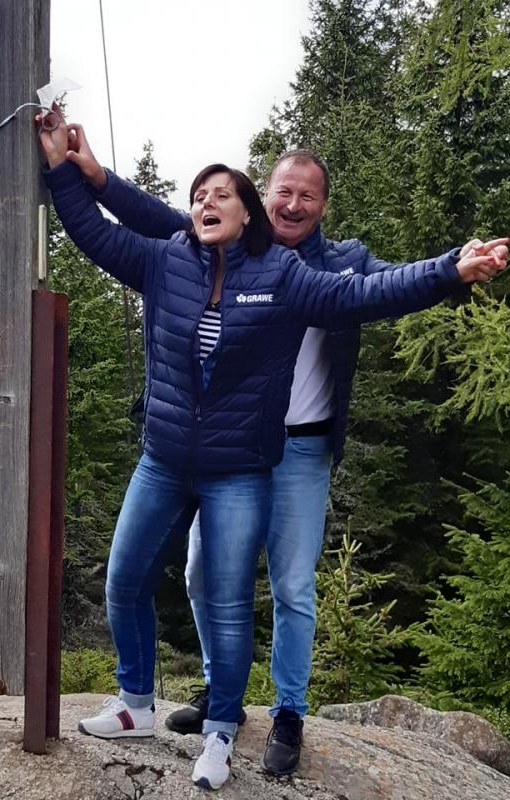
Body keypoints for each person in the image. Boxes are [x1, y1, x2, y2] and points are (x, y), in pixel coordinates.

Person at [38, 113, 505, 790]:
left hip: (274, 455)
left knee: (276, 588)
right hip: (178, 456)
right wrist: (77, 171)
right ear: (262, 199)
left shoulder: (300, 271)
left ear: (312, 207)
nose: (292, 203)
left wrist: (450, 269)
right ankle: (167, 700)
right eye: (282, 190)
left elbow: (373, 292)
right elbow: (116, 227)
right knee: (168, 579)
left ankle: (268, 717)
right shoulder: (179, 255)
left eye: (306, 195)